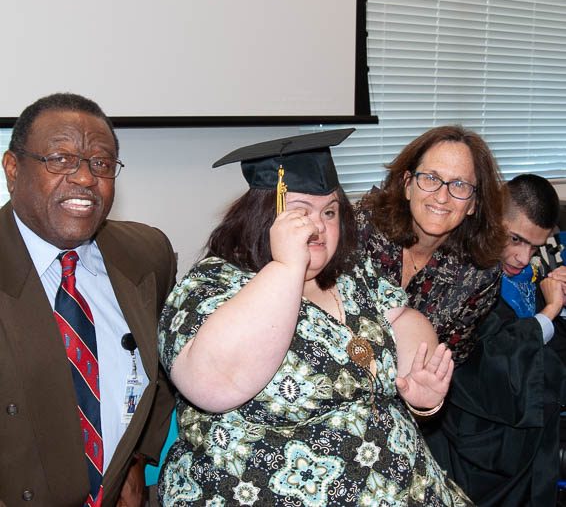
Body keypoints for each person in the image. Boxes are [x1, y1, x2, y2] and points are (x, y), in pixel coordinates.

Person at [157, 128, 473, 506]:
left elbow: (403, 318)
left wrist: (421, 393)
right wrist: (288, 265)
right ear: (263, 217)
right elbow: (212, 382)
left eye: (329, 212)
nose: (318, 226)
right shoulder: (213, 284)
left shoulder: (353, 276)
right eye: (300, 213)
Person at [0, 93, 177, 507]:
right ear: (12, 169)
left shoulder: (146, 254)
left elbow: (168, 365)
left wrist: (137, 458)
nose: (84, 178)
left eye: (100, 163)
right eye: (60, 159)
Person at [426, 174, 566, 507]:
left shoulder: (520, 274)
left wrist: (557, 305)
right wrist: (549, 311)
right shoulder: (460, 274)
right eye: (515, 239)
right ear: (491, 215)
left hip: (521, 413)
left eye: (534, 246)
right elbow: (491, 361)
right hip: (477, 435)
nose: (523, 257)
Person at [357, 125, 507, 365]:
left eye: (459, 185)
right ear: (408, 185)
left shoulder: (480, 275)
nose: (441, 196)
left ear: (473, 204)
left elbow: (445, 361)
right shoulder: (362, 227)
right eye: (431, 178)